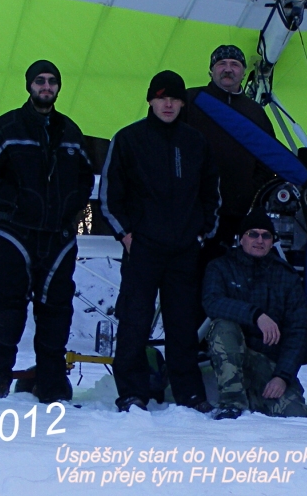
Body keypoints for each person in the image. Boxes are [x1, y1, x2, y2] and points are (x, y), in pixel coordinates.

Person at [0, 59, 94, 403]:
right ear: (29, 86)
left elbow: (86, 177)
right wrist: (14, 200)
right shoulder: (7, 127)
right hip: (15, 234)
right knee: (8, 311)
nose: (46, 86)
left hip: (58, 238)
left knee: (56, 314)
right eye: (40, 81)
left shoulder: (71, 131)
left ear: (58, 87)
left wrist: (71, 206)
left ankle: (52, 388)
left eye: (52, 81)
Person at [99, 70, 220, 413]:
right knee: (134, 322)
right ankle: (131, 392)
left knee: (183, 325)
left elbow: (211, 194)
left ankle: (189, 394)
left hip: (184, 250)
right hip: (142, 248)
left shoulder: (196, 142)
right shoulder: (128, 139)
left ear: (182, 104)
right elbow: (109, 195)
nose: (168, 105)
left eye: (175, 99)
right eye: (162, 98)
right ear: (151, 100)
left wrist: (202, 234)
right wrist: (125, 234)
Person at [202, 208, 307, 420]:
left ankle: (254, 398)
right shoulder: (220, 267)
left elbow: (298, 331)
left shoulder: (287, 276)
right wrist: (256, 315)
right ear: (241, 238)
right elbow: (212, 302)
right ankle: (231, 403)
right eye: (253, 234)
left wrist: (282, 376)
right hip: (231, 358)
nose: (259, 240)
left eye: (266, 235)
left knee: (296, 416)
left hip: (268, 364)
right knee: (223, 327)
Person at [184, 45, 275, 256]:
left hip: (236, 211)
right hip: (193, 209)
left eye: (234, 64)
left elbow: (268, 158)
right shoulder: (191, 101)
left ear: (243, 72)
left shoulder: (255, 112)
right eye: (221, 64)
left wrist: (251, 190)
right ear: (211, 70)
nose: (228, 69)